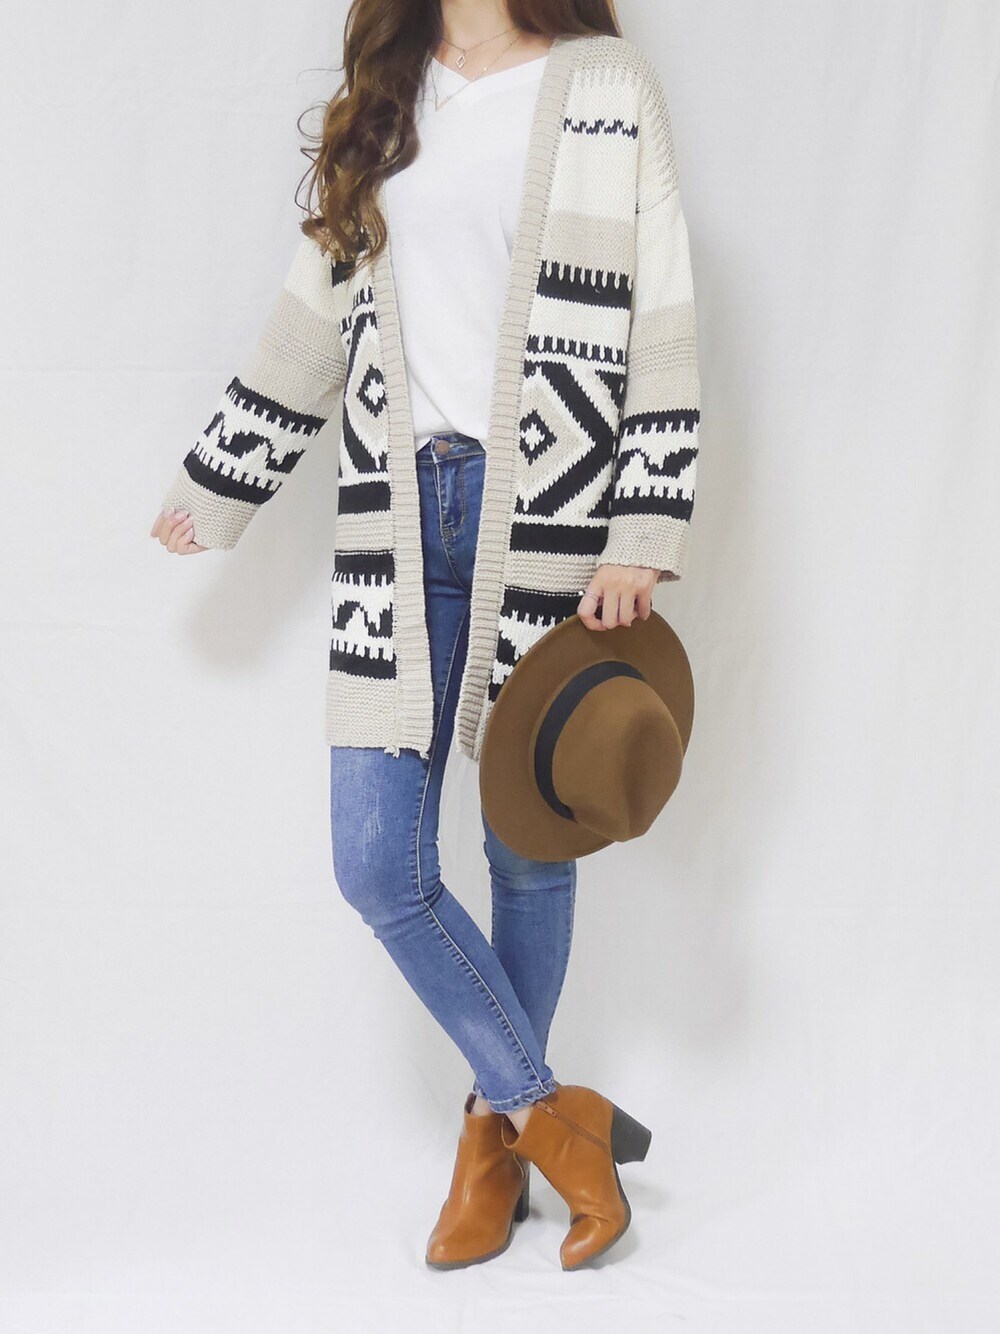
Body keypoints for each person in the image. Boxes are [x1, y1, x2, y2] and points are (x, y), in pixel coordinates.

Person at [150, 0, 700, 1272]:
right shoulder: (391, 91)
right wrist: (220, 481)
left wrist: (642, 527)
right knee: (374, 864)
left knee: (527, 851)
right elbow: (313, 311)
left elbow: (663, 305)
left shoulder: (602, 84)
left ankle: (488, 1148)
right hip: (395, 518)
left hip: (550, 517)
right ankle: (549, 1118)